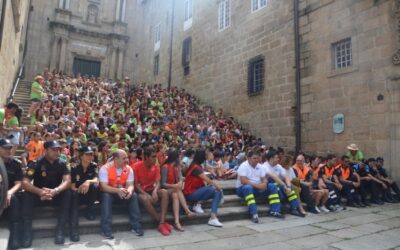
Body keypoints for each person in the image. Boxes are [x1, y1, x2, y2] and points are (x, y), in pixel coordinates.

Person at [21, 140, 71, 247]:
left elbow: (67, 181)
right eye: (53, 150)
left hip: (55, 195)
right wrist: (39, 192)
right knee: (26, 194)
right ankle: (27, 233)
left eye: (58, 150)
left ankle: (60, 231)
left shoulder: (62, 163)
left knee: (68, 193)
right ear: (46, 150)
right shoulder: (36, 163)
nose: (57, 152)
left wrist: (56, 191)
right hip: (40, 196)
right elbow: (25, 183)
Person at [99, 149, 143, 239]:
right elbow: (104, 187)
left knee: (133, 195)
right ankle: (105, 228)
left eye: (126, 157)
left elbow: (130, 185)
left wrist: (129, 191)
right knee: (106, 196)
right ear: (115, 159)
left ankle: (136, 226)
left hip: (122, 193)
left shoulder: (129, 168)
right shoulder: (105, 169)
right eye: (124, 158)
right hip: (109, 193)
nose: (127, 160)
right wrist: (118, 190)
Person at [132, 147, 171, 236]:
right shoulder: (135, 166)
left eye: (156, 156)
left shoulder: (156, 166)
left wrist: (155, 191)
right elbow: (136, 185)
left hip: (151, 190)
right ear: (146, 157)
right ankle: (161, 222)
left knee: (164, 192)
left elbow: (158, 182)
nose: (155, 159)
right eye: (153, 157)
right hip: (140, 192)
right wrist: (146, 194)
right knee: (144, 198)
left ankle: (161, 223)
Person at [236, 150, 284, 223]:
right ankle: (254, 214)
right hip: (243, 188)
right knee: (248, 188)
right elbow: (244, 181)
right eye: (254, 158)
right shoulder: (243, 165)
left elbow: (263, 178)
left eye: (257, 158)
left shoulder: (260, 166)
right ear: (248, 158)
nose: (256, 160)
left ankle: (275, 211)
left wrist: (264, 184)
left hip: (256, 188)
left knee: (272, 186)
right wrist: (258, 186)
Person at [183, 149, 223, 227]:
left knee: (215, 191)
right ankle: (212, 217)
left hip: (194, 191)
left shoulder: (196, 165)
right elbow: (207, 180)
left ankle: (211, 215)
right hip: (190, 193)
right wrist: (218, 187)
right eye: (205, 156)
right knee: (215, 190)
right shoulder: (196, 167)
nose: (205, 158)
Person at [262, 150, 305, 217]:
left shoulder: (278, 166)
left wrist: (288, 186)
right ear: (271, 159)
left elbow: (286, 177)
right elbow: (274, 177)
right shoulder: (264, 166)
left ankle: (294, 208)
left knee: (290, 188)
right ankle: (279, 207)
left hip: (279, 184)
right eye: (276, 158)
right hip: (269, 185)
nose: (278, 159)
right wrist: (285, 186)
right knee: (274, 184)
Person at [160, 149, 196, 231]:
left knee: (175, 194)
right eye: (179, 157)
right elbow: (163, 184)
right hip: (165, 191)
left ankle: (177, 222)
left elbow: (180, 178)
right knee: (176, 191)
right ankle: (187, 211)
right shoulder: (165, 167)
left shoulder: (177, 167)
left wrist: (180, 182)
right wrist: (175, 185)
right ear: (175, 158)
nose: (181, 158)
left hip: (174, 191)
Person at [70, 146, 99, 241]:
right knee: (73, 195)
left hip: (89, 195)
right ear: (81, 156)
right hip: (77, 194)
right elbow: (72, 186)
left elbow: (96, 179)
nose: (90, 156)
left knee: (94, 187)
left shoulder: (94, 165)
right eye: (87, 154)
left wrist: (88, 182)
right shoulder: (74, 167)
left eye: (91, 154)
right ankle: (74, 228)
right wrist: (80, 189)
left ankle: (89, 211)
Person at [0, 139, 23, 249]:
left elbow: (18, 184)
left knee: (14, 198)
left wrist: (8, 193)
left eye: (10, 148)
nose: (8, 150)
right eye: (5, 148)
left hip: (10, 196)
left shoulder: (16, 164)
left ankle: (15, 237)